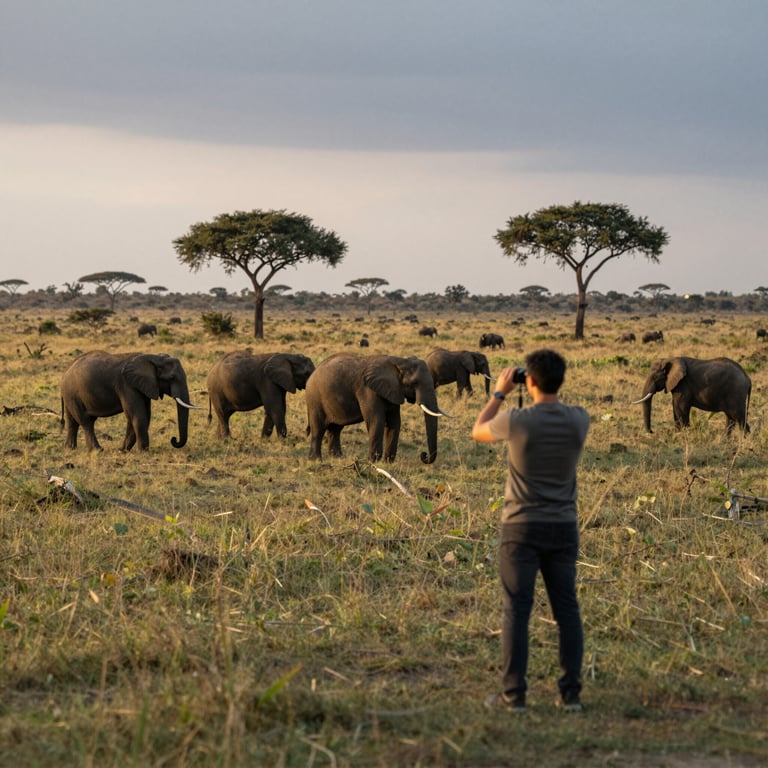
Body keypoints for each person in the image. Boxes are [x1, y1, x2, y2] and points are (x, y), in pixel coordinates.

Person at [471, 349, 590, 713]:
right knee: (567, 610)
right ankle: (570, 693)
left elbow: (477, 431)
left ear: (530, 380)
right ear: (561, 380)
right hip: (563, 527)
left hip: (520, 528)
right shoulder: (579, 419)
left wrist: (499, 392)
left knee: (516, 611)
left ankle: (514, 695)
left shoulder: (516, 420)